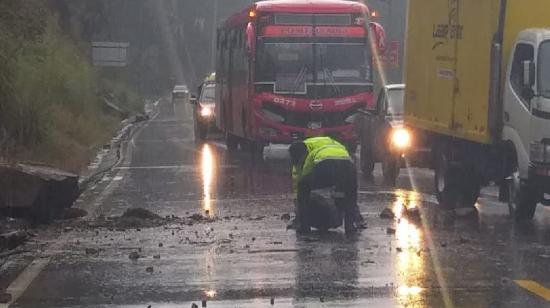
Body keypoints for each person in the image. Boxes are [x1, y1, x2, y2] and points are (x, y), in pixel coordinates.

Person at [289, 136, 361, 234]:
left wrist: (300, 206)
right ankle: (350, 225)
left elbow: (304, 178)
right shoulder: (335, 145)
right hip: (347, 164)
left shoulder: (311, 154)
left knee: (303, 187)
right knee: (350, 193)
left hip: (325, 165)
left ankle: (304, 226)